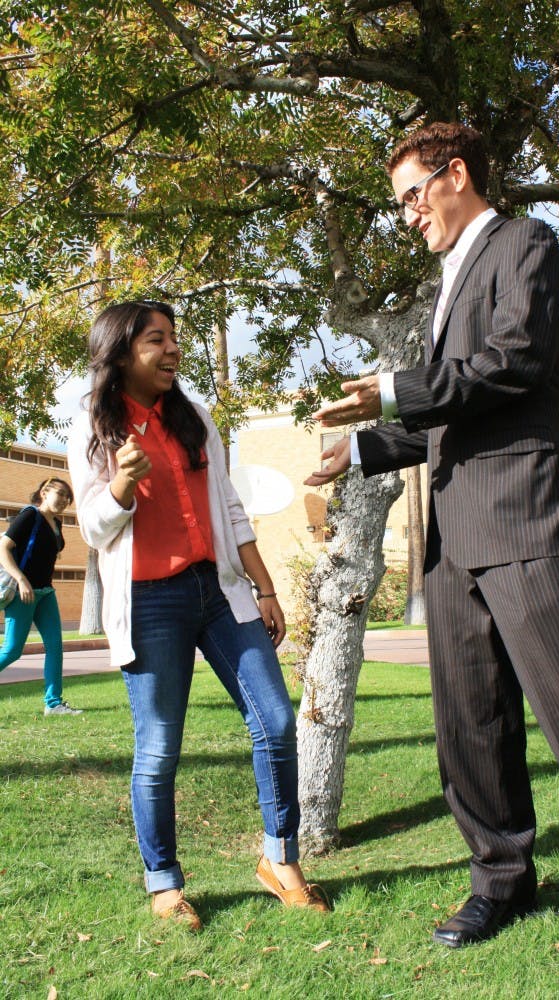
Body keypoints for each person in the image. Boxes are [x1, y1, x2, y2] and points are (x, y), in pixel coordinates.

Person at [305, 122, 559, 975]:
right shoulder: (447, 277)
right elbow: (453, 416)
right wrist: (361, 448)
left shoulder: (523, 244)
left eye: (410, 195)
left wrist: (391, 390)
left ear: (454, 173)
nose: (405, 215)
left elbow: (512, 365)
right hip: (454, 542)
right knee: (469, 723)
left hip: (527, 526)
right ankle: (500, 877)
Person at [67, 300, 329, 931]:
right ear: (123, 350)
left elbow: (231, 510)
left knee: (275, 721)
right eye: (158, 340)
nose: (174, 350)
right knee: (158, 749)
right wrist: (124, 483)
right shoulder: (93, 427)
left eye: (176, 339)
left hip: (219, 593)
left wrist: (264, 588)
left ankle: (280, 860)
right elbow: (94, 528)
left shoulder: (195, 418)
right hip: (149, 600)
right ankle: (165, 884)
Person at [0, 478, 82, 716]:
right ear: (45, 492)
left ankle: (53, 703)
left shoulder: (56, 523)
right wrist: (21, 580)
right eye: (62, 494)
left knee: (55, 646)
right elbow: (3, 548)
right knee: (13, 650)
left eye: (69, 498)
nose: (66, 500)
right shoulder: (29, 515)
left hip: (46, 593)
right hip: (23, 593)